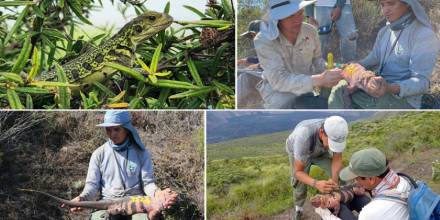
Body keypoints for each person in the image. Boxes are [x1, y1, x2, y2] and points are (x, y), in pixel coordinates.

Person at [63, 111, 177, 220]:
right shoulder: (99, 154)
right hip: (108, 201)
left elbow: (148, 183)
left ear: (127, 129)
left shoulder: (141, 153)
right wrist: (82, 198)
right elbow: (92, 185)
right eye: (108, 130)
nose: (112, 134)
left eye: (117, 129)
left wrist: (157, 193)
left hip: (136, 200)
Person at [329, 0, 440, 109]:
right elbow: (374, 57)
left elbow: (421, 83)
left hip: (402, 100)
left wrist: (389, 88)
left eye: (391, 3)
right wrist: (353, 66)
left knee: (342, 96)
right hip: (378, 88)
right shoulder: (385, 31)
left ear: (407, 4)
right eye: (382, 4)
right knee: (338, 86)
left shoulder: (423, 35)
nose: (385, 10)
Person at [254, 0, 343, 109]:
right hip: (279, 90)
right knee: (282, 104)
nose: (297, 20)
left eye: (300, 13)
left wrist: (332, 68)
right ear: (278, 19)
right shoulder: (263, 40)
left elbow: (317, 60)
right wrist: (319, 79)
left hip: (311, 82)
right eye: (290, 16)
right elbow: (278, 80)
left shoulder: (311, 31)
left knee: (329, 98)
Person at [285, 116, 348, 219]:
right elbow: (297, 172)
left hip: (320, 153)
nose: (332, 147)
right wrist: (316, 183)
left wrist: (335, 182)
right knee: (299, 185)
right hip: (299, 155)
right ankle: (299, 210)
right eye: (332, 144)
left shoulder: (337, 130)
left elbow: (337, 159)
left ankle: (339, 201)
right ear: (322, 132)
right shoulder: (303, 136)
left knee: (340, 175)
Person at [337, 148, 412, 220]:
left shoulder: (368, 213)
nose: (355, 182)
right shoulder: (405, 181)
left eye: (356, 178)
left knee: (341, 208)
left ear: (371, 179)